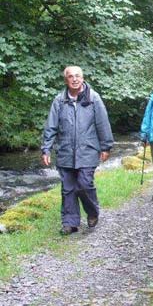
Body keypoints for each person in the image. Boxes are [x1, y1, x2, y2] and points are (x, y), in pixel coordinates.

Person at [41, 66, 114, 235]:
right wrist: (46, 149)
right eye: (70, 76)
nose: (74, 79)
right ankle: (70, 222)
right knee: (68, 188)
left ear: (83, 78)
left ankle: (92, 212)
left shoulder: (93, 98)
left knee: (84, 184)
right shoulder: (59, 100)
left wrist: (106, 146)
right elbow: (51, 126)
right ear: (66, 80)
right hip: (65, 151)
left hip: (87, 150)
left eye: (77, 76)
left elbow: (103, 124)